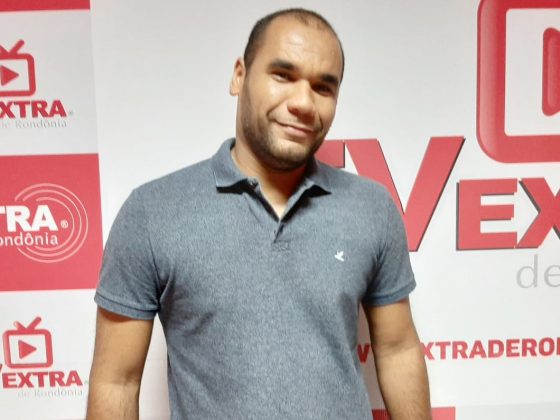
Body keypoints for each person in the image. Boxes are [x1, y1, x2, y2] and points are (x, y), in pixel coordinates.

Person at [86, 8, 431, 420]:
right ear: (239, 76)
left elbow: (397, 350)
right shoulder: (151, 213)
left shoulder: (371, 207)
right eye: (283, 76)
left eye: (323, 87)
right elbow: (117, 382)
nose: (303, 103)